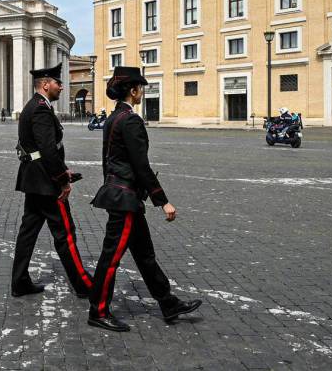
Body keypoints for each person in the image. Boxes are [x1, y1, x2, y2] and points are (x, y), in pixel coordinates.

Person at [87, 66, 201, 332]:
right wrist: (163, 201)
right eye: (141, 87)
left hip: (121, 195)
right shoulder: (131, 120)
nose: (142, 92)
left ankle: (167, 302)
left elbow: (108, 159)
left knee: (145, 255)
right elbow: (141, 166)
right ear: (133, 90)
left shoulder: (114, 118)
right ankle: (98, 310)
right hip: (125, 198)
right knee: (111, 257)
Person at [10, 64, 95, 300]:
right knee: (65, 233)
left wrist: (64, 171)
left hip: (34, 179)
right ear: (46, 84)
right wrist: (61, 180)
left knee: (28, 232)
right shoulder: (40, 110)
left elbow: (43, 149)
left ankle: (20, 281)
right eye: (58, 83)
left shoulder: (34, 107)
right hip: (46, 183)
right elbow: (48, 149)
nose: (61, 86)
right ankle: (83, 284)